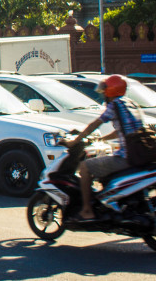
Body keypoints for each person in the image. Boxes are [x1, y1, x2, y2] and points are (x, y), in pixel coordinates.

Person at [63, 73, 146, 221]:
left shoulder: (115, 105)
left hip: (126, 157)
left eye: (105, 91)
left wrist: (74, 142)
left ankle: (87, 210)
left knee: (85, 167)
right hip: (141, 153)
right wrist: (103, 139)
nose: (104, 95)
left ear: (111, 91)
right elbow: (123, 129)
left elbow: (95, 124)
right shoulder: (131, 104)